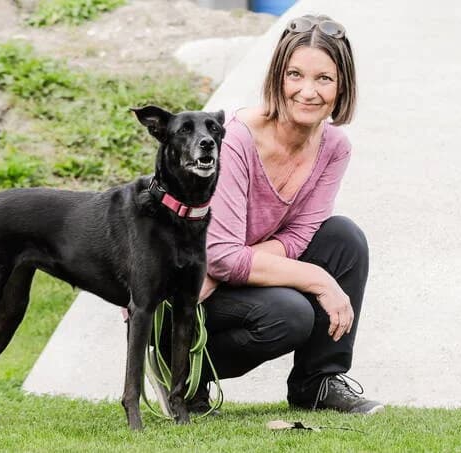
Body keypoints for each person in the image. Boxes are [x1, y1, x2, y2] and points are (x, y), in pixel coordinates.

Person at [168, 14, 382, 415]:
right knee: (291, 314)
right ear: (278, 78)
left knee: (343, 238)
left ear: (342, 86)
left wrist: (240, 260)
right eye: (295, 74)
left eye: (324, 79)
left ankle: (317, 384)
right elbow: (217, 256)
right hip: (183, 291)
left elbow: (302, 234)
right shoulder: (234, 141)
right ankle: (183, 371)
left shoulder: (334, 146)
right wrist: (318, 280)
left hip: (226, 275)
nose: (308, 91)